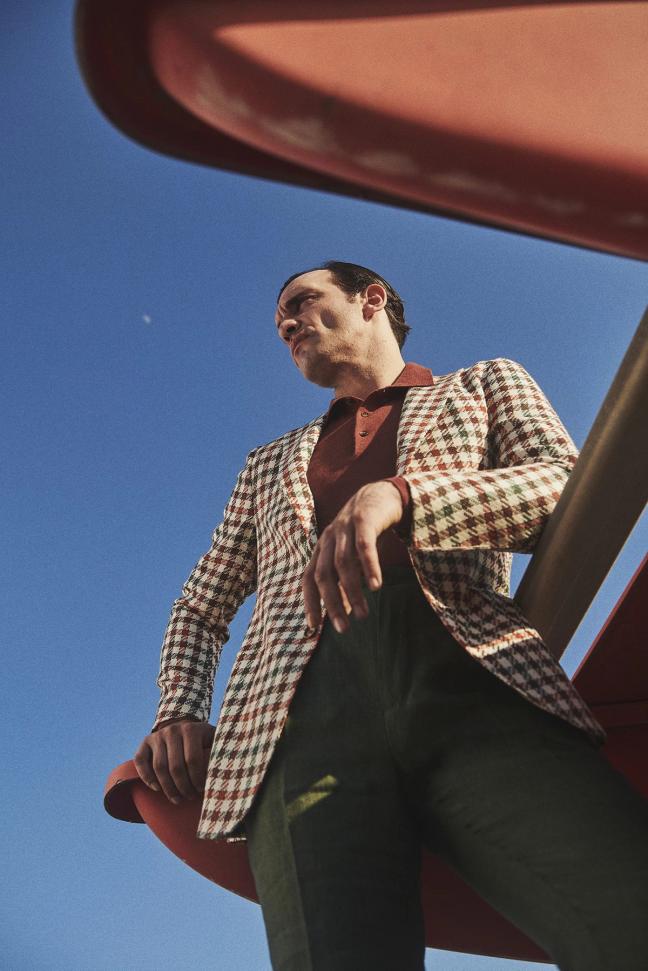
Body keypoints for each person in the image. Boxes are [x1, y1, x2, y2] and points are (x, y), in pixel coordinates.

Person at [134, 262, 648, 971]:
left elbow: (561, 487)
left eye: (301, 302)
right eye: (279, 320)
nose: (286, 324)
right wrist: (179, 708)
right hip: (299, 734)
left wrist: (402, 496)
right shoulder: (266, 465)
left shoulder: (483, 384)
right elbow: (199, 604)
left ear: (370, 299)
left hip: (475, 692)